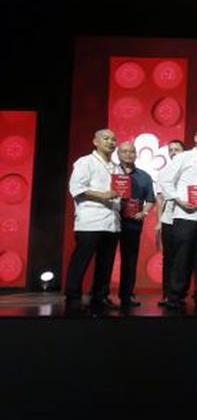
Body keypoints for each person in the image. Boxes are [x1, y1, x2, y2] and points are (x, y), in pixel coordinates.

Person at [64, 129, 122, 312]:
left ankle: (100, 295)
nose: (111, 142)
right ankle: (73, 296)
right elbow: (76, 188)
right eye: (106, 138)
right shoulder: (85, 162)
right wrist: (103, 195)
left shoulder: (116, 167)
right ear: (95, 141)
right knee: (82, 259)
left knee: (106, 262)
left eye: (113, 139)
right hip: (90, 220)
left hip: (111, 220)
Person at [159, 126, 197, 309]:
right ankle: (175, 296)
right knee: (182, 257)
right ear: (195, 138)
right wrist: (178, 199)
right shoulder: (183, 157)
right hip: (184, 215)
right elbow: (164, 178)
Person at [116, 141, 155, 309]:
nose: (128, 154)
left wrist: (144, 212)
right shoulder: (111, 172)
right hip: (111, 220)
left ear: (135, 154)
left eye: (131, 151)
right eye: (124, 151)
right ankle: (100, 295)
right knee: (106, 257)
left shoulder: (144, 176)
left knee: (130, 260)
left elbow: (150, 200)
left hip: (133, 223)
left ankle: (127, 295)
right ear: (118, 154)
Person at [155, 140, 184, 307]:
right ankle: (167, 294)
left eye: (177, 149)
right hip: (168, 220)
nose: (174, 152)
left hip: (186, 219)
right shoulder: (164, 172)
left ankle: (179, 294)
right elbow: (160, 199)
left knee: (183, 258)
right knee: (169, 258)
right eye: (171, 150)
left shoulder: (190, 170)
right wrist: (159, 220)